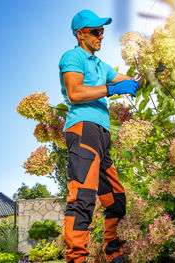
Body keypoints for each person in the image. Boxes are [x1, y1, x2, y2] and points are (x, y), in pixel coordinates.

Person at [59, 9, 140, 263]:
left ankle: (114, 254)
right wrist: (110, 89)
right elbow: (75, 92)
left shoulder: (100, 65)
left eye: (102, 31)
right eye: (96, 31)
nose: (101, 36)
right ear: (80, 34)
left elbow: (130, 82)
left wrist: (150, 73)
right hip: (83, 129)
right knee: (83, 196)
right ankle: (76, 258)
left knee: (115, 198)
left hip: (102, 135)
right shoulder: (73, 57)